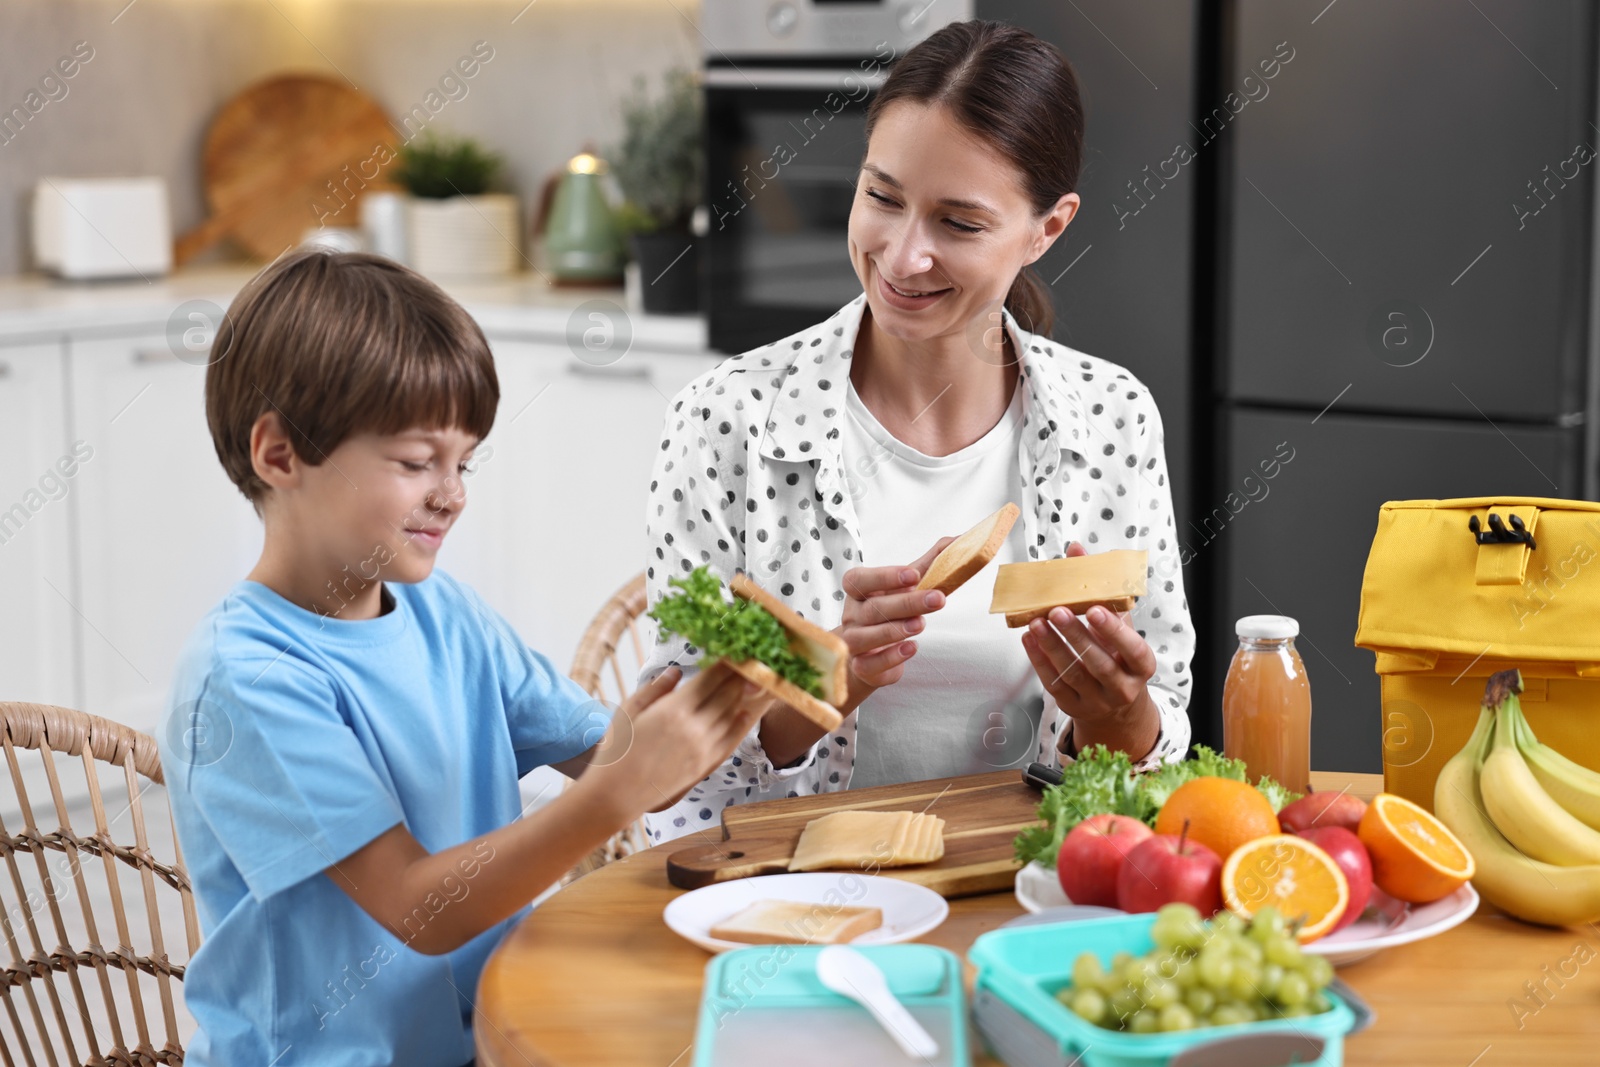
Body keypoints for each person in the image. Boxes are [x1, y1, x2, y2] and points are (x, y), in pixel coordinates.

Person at [160, 249, 765, 1066]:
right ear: (280, 455)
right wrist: (621, 790)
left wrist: (748, 685)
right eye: (417, 463)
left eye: (463, 461)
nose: (454, 493)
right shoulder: (247, 677)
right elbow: (419, 907)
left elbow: (612, 754)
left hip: (487, 1038)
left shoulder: (447, 614)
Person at [641, 20, 1193, 844]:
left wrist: (1117, 714)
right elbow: (672, 777)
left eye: (959, 224)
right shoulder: (728, 420)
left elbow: (1156, 749)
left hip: (1028, 896)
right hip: (782, 910)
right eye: (882, 197)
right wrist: (828, 678)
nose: (903, 257)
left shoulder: (1111, 416)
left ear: (1048, 228)